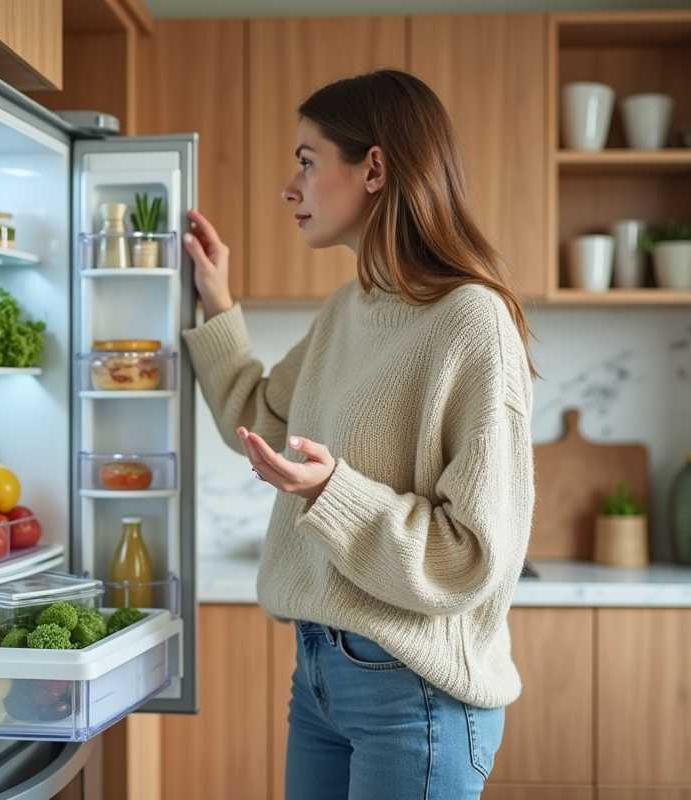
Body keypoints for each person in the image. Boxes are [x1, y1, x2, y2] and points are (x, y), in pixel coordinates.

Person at [179, 69, 537, 800]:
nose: (290, 188)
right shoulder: (349, 308)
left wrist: (332, 494)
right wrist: (216, 303)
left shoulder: (472, 321)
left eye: (307, 162)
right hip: (318, 674)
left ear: (373, 168)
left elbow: (470, 556)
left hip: (415, 690)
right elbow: (261, 416)